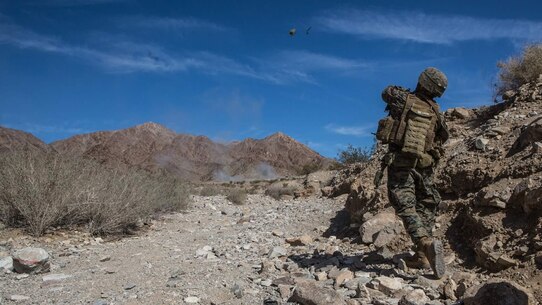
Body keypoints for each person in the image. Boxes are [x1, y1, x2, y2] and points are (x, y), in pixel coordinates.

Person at [375, 67, 450, 279]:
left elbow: (385, 92)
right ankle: (422, 256)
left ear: (422, 81)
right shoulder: (436, 111)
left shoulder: (402, 98)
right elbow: (442, 136)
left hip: (402, 162)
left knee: (405, 204)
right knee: (426, 203)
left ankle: (425, 244)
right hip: (425, 165)